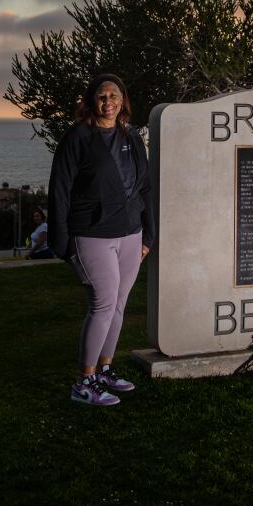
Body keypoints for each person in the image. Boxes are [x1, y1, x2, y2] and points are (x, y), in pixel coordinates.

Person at [48, 73, 155, 406]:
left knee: (119, 305)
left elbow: (145, 188)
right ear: (91, 101)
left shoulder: (132, 136)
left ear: (123, 101)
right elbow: (59, 191)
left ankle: (105, 370)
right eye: (101, 96)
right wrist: (61, 241)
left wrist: (149, 234)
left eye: (114, 96)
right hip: (92, 233)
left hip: (131, 234)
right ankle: (84, 381)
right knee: (103, 305)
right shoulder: (77, 137)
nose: (108, 102)